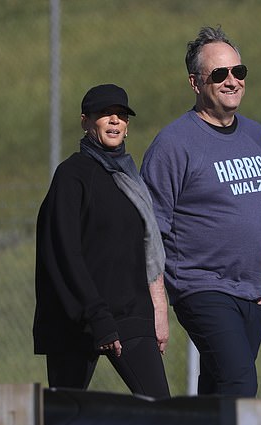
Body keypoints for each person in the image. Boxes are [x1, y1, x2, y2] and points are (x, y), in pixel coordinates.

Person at [140, 26, 261, 397]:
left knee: (216, 392)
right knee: (240, 384)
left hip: (255, 294)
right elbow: (147, 230)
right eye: (219, 74)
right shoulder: (173, 145)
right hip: (202, 287)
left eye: (238, 72)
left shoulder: (257, 137)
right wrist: (158, 304)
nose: (231, 81)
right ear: (195, 83)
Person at [33, 83, 170, 399]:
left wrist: (157, 311)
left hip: (129, 314)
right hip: (79, 319)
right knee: (63, 414)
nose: (114, 121)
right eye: (104, 114)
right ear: (85, 121)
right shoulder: (72, 176)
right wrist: (97, 316)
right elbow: (64, 253)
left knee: (162, 410)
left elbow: (145, 250)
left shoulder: (130, 178)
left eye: (120, 115)